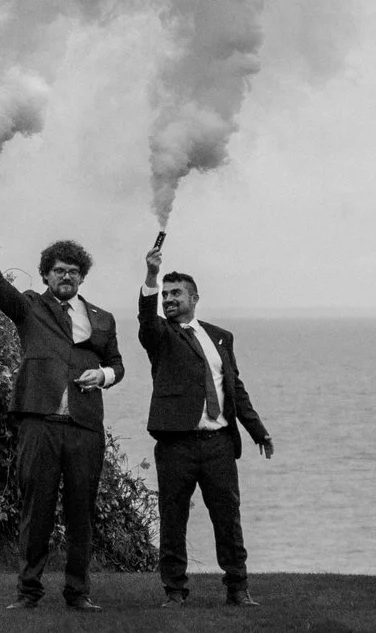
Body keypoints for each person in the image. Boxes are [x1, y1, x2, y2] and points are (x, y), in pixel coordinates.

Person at [0, 192, 125, 612]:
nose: (67, 277)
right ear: (46, 274)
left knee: (81, 514)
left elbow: (117, 364)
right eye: (60, 270)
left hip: (84, 428)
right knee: (35, 511)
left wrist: (105, 375)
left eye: (74, 272)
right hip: (38, 423)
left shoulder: (102, 318)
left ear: (83, 278)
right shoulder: (28, 307)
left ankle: (79, 594)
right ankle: (28, 594)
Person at [138, 234, 274, 608]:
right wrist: (151, 277)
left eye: (176, 293)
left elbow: (235, 388)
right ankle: (175, 592)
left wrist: (257, 430)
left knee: (228, 518)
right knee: (173, 519)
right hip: (176, 443)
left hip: (218, 443)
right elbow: (146, 320)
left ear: (194, 298)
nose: (169, 299)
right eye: (165, 294)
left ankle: (237, 588)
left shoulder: (220, 337)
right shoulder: (160, 334)